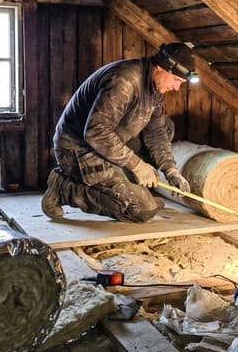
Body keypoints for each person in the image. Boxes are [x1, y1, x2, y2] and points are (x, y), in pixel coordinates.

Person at [41, 43, 197, 222]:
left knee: (165, 126)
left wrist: (171, 170)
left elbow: (156, 132)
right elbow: (96, 132)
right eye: (176, 81)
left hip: (105, 143)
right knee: (141, 210)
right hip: (77, 149)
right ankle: (63, 188)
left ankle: (130, 189)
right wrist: (137, 165)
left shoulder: (154, 86)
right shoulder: (125, 81)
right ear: (161, 67)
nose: (177, 88)